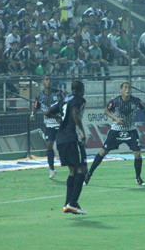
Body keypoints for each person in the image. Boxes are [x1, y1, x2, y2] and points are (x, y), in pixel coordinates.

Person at [85, 82, 145, 186]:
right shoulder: (115, 101)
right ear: (121, 90)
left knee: (137, 154)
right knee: (103, 152)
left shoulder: (136, 101)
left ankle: (138, 177)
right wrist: (116, 118)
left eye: (129, 88)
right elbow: (106, 111)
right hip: (116, 130)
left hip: (130, 130)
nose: (128, 90)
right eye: (125, 88)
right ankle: (88, 175)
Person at [45, 80, 87, 214]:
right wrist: (81, 130)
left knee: (73, 171)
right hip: (72, 138)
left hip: (60, 139)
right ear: (81, 89)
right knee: (82, 169)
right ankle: (73, 203)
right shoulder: (79, 99)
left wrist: (57, 117)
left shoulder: (64, 99)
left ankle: (67, 204)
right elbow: (75, 113)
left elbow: (47, 112)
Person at [30, 74, 65, 179]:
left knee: (62, 145)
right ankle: (51, 168)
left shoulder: (58, 93)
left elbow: (65, 104)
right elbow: (36, 106)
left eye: (50, 79)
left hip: (59, 123)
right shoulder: (40, 95)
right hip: (48, 124)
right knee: (49, 145)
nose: (48, 81)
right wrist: (33, 114)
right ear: (43, 81)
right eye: (46, 79)